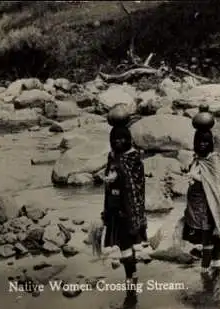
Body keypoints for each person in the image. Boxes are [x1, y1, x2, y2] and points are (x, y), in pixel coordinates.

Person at [101, 125, 147, 308]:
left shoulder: (134, 159)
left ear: (129, 140)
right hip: (115, 210)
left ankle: (131, 281)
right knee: (122, 245)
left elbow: (135, 184)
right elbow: (109, 182)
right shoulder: (113, 157)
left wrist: (117, 175)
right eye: (114, 139)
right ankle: (131, 280)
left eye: (121, 138)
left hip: (128, 211)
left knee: (127, 246)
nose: (117, 142)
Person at [182, 129, 220, 278]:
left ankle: (206, 268)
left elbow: (214, 182)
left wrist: (195, 176)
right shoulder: (197, 158)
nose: (202, 144)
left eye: (206, 142)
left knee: (209, 233)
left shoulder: (213, 159)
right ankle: (216, 265)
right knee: (209, 233)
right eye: (200, 141)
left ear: (210, 143)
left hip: (209, 203)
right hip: (197, 203)